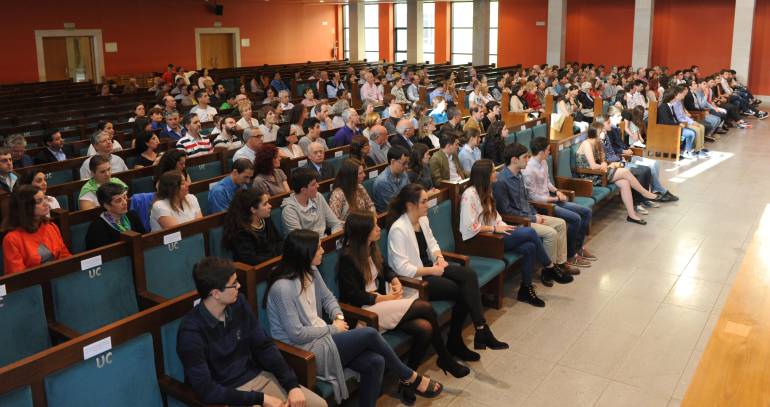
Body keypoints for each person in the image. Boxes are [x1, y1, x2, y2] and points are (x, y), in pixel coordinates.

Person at [266, 229, 442, 406]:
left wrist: (338, 316)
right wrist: (334, 328)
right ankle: (409, 376)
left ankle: (404, 379)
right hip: (304, 352)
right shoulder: (283, 288)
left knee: (376, 362)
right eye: (318, 248)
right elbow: (296, 334)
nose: (322, 251)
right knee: (369, 334)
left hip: (322, 336)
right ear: (304, 253)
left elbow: (328, 298)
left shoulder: (310, 270)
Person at [177, 257, 326, 407]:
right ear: (216, 293)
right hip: (228, 395)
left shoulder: (239, 304)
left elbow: (264, 346)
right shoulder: (190, 332)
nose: (239, 286)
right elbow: (206, 390)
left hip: (256, 377)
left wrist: (292, 385)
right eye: (233, 284)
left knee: (319, 405)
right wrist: (261, 399)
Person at [338, 210, 469, 376]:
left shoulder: (371, 248)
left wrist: (394, 280)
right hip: (365, 312)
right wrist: (386, 298)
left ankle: (407, 380)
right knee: (425, 307)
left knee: (425, 329)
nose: (379, 229)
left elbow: (385, 268)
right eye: (375, 226)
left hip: (382, 305)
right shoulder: (347, 258)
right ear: (363, 232)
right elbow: (353, 295)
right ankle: (445, 358)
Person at [388, 183, 508, 361]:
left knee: (469, 275)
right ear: (410, 205)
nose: (427, 205)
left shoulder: (422, 220)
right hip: (418, 279)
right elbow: (402, 268)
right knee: (462, 291)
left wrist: (439, 257)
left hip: (432, 268)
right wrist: (433, 270)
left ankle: (480, 330)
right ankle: (457, 340)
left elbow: (433, 242)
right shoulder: (398, 229)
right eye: (423, 202)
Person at [460, 160, 558, 306]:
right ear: (485, 175)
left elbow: (495, 216)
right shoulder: (469, 194)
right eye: (493, 171)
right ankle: (550, 266)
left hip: (496, 235)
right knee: (530, 232)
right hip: (483, 241)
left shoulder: (487, 189)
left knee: (529, 247)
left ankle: (526, 289)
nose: (496, 173)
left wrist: (503, 226)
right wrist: (494, 229)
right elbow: (468, 227)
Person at [493, 143, 581, 280]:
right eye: (525, 157)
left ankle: (560, 263)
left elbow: (525, 200)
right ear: (514, 160)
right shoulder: (502, 181)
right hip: (518, 221)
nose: (528, 159)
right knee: (551, 233)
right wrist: (532, 218)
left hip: (529, 215)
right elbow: (505, 211)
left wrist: (535, 213)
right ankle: (548, 270)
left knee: (561, 223)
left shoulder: (519, 174)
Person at [524, 137, 596, 265]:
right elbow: (533, 197)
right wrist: (555, 198)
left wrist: (557, 191)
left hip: (552, 199)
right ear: (541, 152)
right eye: (547, 150)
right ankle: (570, 254)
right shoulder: (528, 170)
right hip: (543, 205)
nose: (549, 152)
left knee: (586, 212)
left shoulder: (544, 162)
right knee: (575, 218)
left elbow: (548, 182)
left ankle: (578, 248)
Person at [576, 123, 658, 225]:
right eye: (603, 131)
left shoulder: (599, 143)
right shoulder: (587, 144)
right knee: (625, 171)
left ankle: (632, 215)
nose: (605, 133)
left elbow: (603, 161)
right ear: (596, 132)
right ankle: (644, 193)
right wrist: (608, 166)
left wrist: (606, 164)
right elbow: (592, 166)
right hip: (591, 175)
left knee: (625, 183)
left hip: (601, 172)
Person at [2, 185, 71, 274]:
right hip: (33, 284)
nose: (46, 203)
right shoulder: (11, 239)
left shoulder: (51, 226)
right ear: (25, 207)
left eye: (45, 199)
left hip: (58, 278)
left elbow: (65, 256)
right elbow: (18, 278)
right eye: (39, 201)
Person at [222, 189, 284, 266]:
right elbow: (251, 260)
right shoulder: (241, 231)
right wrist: (276, 257)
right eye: (265, 204)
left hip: (274, 262)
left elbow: (278, 241)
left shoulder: (266, 218)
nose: (270, 206)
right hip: (256, 271)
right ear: (253, 210)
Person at [281, 167, 342, 236]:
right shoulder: (289, 211)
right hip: (307, 245)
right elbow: (300, 241)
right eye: (313, 184)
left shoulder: (318, 197)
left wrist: (332, 239)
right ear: (303, 190)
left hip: (324, 241)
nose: (318, 186)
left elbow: (335, 223)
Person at [85, 183, 146, 250]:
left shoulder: (132, 215)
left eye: (124, 197)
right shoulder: (97, 227)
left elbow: (145, 240)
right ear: (107, 206)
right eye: (118, 200)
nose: (125, 202)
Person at [372, 145, 410, 213]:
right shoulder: (382, 182)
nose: (407, 166)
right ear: (392, 162)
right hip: (389, 216)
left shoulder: (403, 173)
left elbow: (410, 191)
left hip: (404, 209)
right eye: (404, 163)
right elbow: (395, 206)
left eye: (407, 163)